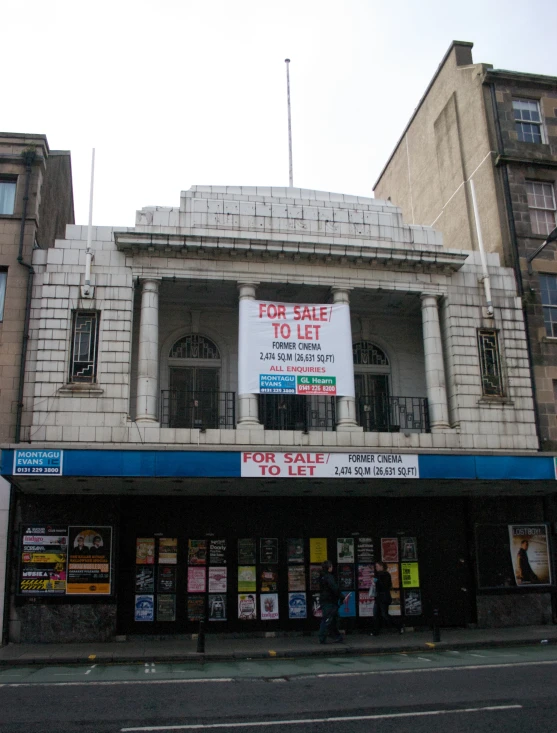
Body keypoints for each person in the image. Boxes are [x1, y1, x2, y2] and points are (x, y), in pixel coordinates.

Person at [370, 561, 404, 636]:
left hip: (383, 597)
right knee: (376, 614)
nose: (376, 568)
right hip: (379, 597)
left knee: (384, 614)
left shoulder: (386, 574)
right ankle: (375, 631)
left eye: (377, 566)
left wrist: (377, 582)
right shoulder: (379, 575)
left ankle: (399, 625)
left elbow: (385, 586)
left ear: (382, 566)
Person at [318, 560, 345, 644]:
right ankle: (322, 637)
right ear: (329, 568)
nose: (332, 568)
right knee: (327, 619)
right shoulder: (329, 577)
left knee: (333, 619)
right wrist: (341, 596)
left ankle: (336, 636)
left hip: (326, 600)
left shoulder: (322, 576)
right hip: (329, 601)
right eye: (331, 566)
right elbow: (334, 587)